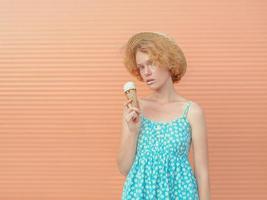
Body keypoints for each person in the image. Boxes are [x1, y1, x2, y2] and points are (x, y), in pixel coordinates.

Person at [117, 31, 211, 199]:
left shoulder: (191, 112)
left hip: (180, 194)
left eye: (151, 63)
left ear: (168, 62)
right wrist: (133, 131)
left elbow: (202, 172)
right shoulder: (135, 109)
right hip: (140, 194)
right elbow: (124, 168)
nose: (146, 72)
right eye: (141, 67)